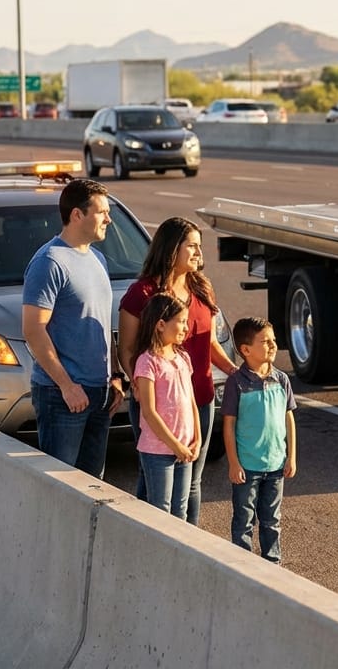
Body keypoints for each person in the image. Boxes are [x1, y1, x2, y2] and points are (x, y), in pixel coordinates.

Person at [118, 217, 239, 524]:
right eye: (193, 246)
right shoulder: (142, 294)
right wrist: (140, 384)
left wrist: (233, 371)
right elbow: (127, 349)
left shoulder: (201, 288)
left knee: (192, 480)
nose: (200, 252)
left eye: (200, 245)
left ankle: (189, 543)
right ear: (172, 248)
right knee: (153, 479)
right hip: (157, 403)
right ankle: (147, 539)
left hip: (200, 397)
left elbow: (209, 341)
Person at [21, 178, 126, 477]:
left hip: (99, 393)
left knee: (93, 487)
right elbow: (33, 330)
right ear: (77, 215)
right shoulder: (50, 262)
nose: (109, 219)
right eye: (102, 212)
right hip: (63, 396)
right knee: (62, 487)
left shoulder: (98, 258)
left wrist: (115, 375)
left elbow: (104, 323)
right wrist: (67, 386)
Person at [221, 317, 296, 564]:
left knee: (272, 519)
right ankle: (243, 565)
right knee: (244, 519)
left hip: (275, 465)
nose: (273, 345)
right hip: (248, 466)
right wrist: (234, 463)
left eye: (273, 340)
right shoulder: (237, 383)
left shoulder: (282, 379)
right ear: (245, 350)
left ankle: (272, 563)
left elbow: (289, 420)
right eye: (265, 341)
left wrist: (290, 456)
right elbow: (229, 425)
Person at [132, 294, 202, 519]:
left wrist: (197, 439)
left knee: (179, 510)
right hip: (158, 450)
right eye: (181, 321)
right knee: (161, 511)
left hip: (185, 448)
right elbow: (149, 412)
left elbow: (191, 401)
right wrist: (176, 446)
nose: (185, 327)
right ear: (161, 324)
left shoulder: (182, 358)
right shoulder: (147, 361)